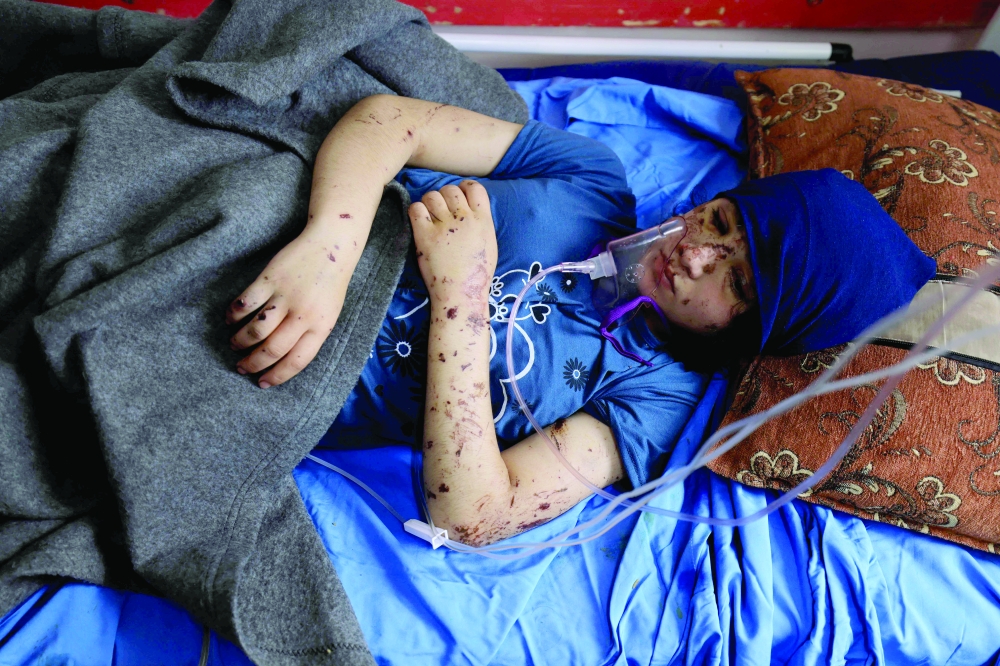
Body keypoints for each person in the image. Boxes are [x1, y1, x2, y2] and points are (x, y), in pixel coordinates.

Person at [224, 95, 935, 546]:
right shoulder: (588, 179)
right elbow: (388, 120)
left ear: (746, 333)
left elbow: (473, 517)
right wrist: (328, 246)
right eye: (719, 221)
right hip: (272, 235)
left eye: (735, 279)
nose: (695, 253)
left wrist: (462, 299)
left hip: (255, 382)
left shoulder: (653, 398)